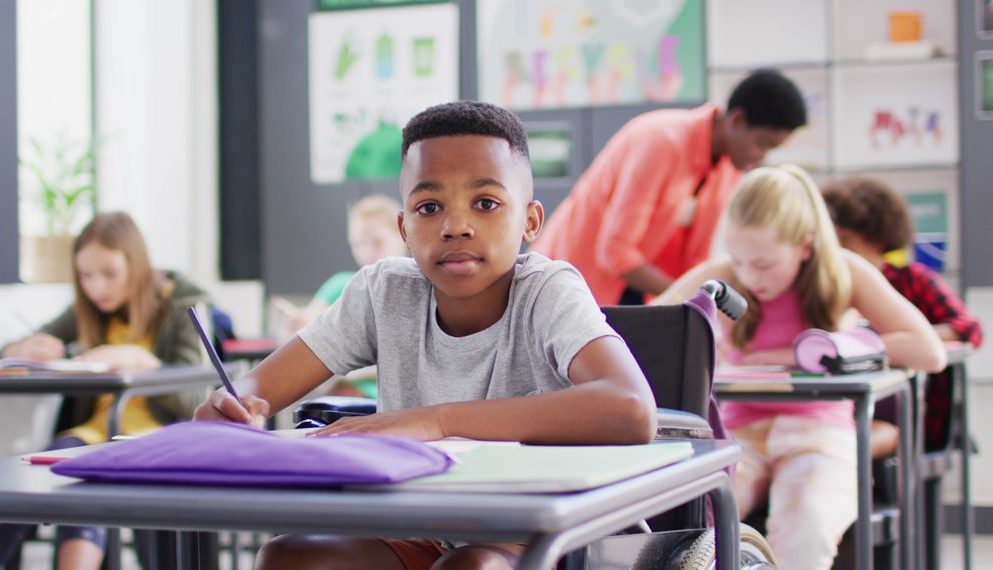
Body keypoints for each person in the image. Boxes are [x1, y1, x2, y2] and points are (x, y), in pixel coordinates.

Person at [194, 100, 658, 570]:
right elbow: (259, 390)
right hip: (431, 531)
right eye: (429, 207)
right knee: (289, 556)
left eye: (486, 203)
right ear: (405, 228)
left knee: (472, 568)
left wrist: (435, 421)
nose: (456, 226)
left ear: (531, 221)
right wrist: (232, 405)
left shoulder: (547, 290)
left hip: (553, 536)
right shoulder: (383, 292)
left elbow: (631, 409)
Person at [654, 165, 946, 570]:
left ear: (805, 248)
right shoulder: (723, 274)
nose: (749, 276)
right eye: (740, 260)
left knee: (805, 529)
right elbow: (647, 332)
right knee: (692, 527)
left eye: (764, 264)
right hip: (740, 436)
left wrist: (797, 353)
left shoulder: (844, 270)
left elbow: (928, 351)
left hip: (818, 434)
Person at [0, 212, 211, 570]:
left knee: (84, 475)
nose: (97, 287)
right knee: (22, 486)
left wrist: (144, 362)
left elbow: (197, 399)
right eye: (85, 276)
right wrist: (19, 349)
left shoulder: (184, 305)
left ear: (136, 265)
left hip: (161, 441)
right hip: (94, 437)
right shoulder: (89, 309)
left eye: (109, 274)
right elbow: (12, 347)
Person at [531, 69, 806, 305]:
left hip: (634, 293)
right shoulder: (661, 141)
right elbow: (615, 253)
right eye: (763, 143)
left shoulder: (730, 166)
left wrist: (693, 301)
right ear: (736, 120)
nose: (762, 156)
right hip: (572, 283)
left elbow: (695, 259)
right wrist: (687, 296)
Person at [823, 176, 984, 453]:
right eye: (831, 242)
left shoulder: (914, 280)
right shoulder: (824, 287)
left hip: (907, 414)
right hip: (837, 409)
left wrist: (902, 340)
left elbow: (967, 329)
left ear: (878, 240)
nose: (838, 253)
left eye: (847, 241)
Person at [272, 194, 407, 398]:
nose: (367, 251)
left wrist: (351, 376)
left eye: (377, 242)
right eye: (359, 244)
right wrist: (296, 324)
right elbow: (309, 324)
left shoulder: (416, 288)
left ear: (402, 234)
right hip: (347, 390)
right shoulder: (341, 284)